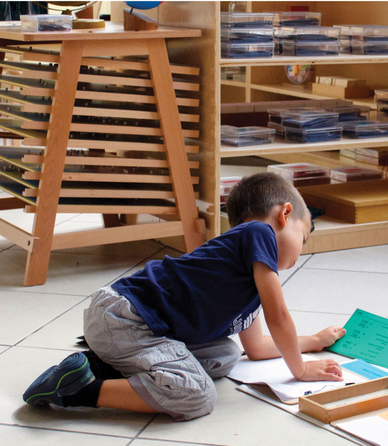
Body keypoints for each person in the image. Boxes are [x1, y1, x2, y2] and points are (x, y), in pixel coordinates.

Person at [22, 172, 346, 421]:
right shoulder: (258, 233)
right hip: (123, 318)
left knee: (226, 355)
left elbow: (257, 348)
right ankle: (79, 388)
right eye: (302, 239)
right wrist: (300, 370)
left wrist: (314, 340)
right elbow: (279, 317)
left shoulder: (244, 272)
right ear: (284, 214)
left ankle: (98, 364)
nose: (299, 254)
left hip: (135, 322)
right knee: (197, 396)